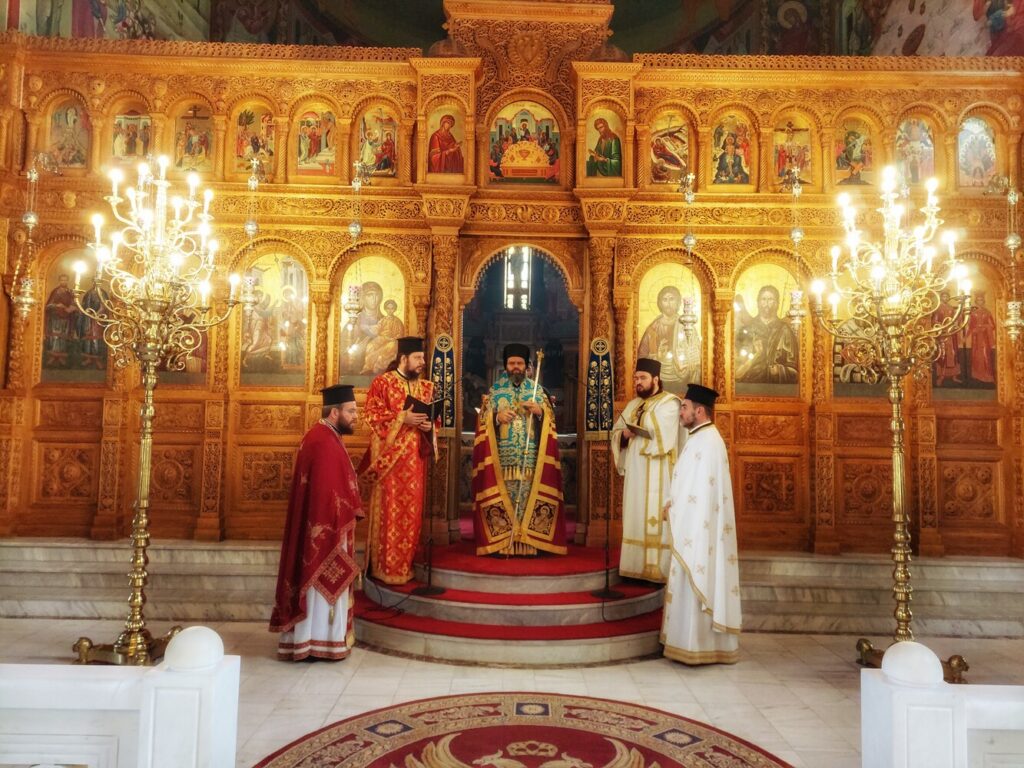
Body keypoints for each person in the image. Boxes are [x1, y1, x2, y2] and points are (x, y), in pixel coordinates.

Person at [269, 384, 362, 661]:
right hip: (325, 533)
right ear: (335, 412)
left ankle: (314, 641)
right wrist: (340, 519)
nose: (356, 416)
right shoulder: (322, 442)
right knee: (320, 590)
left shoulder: (326, 436)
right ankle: (316, 642)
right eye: (351, 411)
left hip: (327, 528)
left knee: (323, 590)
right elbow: (326, 494)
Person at [661, 383, 741, 665]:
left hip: (699, 528)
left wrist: (674, 509)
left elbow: (702, 493)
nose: (680, 412)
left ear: (699, 411)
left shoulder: (708, 442)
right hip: (694, 524)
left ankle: (697, 646)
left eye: (684, 408)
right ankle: (687, 643)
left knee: (697, 576)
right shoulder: (699, 438)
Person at [472, 343, 566, 556]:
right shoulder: (495, 391)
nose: (516, 367)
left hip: (530, 457)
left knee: (527, 497)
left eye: (520, 363)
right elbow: (482, 421)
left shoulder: (537, 391)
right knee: (505, 496)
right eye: (512, 363)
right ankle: (503, 543)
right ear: (505, 365)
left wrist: (540, 412)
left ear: (526, 365)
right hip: (503, 458)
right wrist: (496, 417)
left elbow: (551, 422)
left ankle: (530, 543)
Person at [361, 336, 436, 584]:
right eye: (418, 358)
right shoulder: (382, 383)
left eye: (423, 358)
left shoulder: (426, 388)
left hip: (416, 463)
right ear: (404, 358)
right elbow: (371, 415)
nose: (422, 362)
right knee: (390, 512)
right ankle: (384, 567)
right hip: (390, 464)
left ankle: (405, 566)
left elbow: (433, 421)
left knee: (411, 515)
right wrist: (403, 418)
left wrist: (428, 426)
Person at [611, 358, 681, 582]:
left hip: (658, 469)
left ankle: (656, 571)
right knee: (635, 514)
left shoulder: (670, 403)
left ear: (656, 379)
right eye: (636, 378)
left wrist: (637, 423)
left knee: (656, 516)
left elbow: (662, 432)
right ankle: (634, 568)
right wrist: (623, 435)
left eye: (642, 378)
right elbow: (617, 431)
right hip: (636, 471)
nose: (638, 382)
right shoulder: (633, 404)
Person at [636, 285, 702, 395]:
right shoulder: (653, 329)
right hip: (658, 379)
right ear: (660, 303)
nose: (668, 303)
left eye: (672, 299)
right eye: (665, 299)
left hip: (682, 378)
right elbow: (641, 358)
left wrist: (689, 357)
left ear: (678, 302)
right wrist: (657, 356)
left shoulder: (686, 324)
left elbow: (697, 353)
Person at [734, 285, 799, 384]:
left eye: (770, 299)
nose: (767, 303)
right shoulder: (747, 329)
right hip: (749, 386)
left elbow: (796, 371)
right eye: (763, 299)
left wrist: (779, 370)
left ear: (777, 304)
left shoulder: (785, 331)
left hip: (779, 389)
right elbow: (736, 370)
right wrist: (755, 355)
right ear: (758, 303)